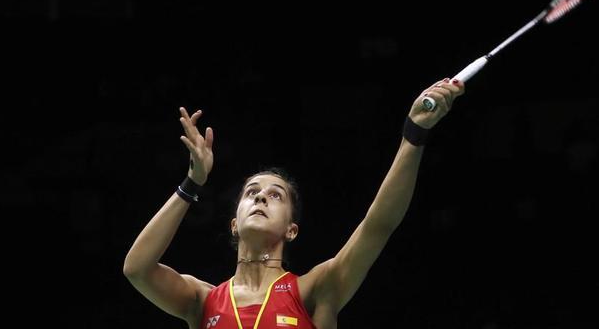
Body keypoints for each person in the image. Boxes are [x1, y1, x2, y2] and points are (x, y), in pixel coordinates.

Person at [123, 78, 465, 328]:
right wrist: (193, 183)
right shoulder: (202, 301)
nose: (260, 196)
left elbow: (378, 225)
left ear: (292, 229)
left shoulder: (315, 290)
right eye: (251, 192)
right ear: (233, 223)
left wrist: (413, 135)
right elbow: (137, 269)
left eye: (276, 195)